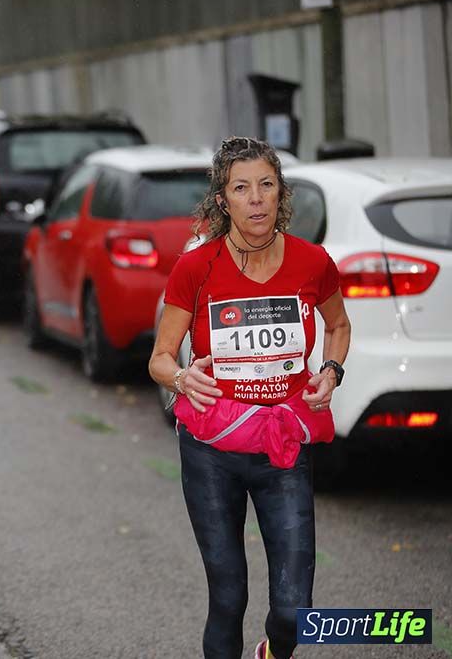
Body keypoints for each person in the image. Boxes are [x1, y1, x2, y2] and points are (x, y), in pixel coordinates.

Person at [149, 137, 352, 659]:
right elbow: (161, 358)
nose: (256, 198)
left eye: (266, 185)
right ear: (224, 200)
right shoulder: (197, 268)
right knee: (228, 595)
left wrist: (331, 370)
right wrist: (181, 379)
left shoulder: (311, 262)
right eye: (242, 188)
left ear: (280, 193)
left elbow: (338, 325)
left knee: (293, 611)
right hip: (210, 449)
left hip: (282, 445)